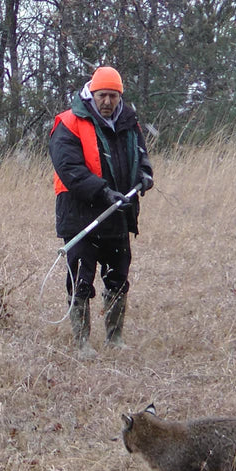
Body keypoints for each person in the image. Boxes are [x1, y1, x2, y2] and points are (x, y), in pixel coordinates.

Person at [49, 66, 154, 358]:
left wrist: (145, 174)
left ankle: (115, 339)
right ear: (91, 93)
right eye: (102, 95)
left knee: (118, 277)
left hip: (118, 214)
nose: (107, 101)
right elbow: (69, 169)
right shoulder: (68, 123)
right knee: (81, 280)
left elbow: (142, 155)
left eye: (113, 96)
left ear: (120, 96)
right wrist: (103, 191)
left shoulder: (129, 123)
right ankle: (82, 344)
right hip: (81, 215)